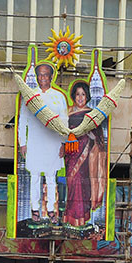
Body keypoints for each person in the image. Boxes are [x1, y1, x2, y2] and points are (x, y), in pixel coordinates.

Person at [17, 62, 67, 224]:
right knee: (35, 177)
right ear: (37, 77)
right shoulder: (30, 97)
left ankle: (51, 210)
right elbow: (22, 120)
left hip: (53, 143)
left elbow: (64, 121)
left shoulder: (59, 96)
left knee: (52, 178)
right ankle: (34, 209)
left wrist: (63, 143)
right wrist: (22, 143)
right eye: (40, 75)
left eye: (46, 74)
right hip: (34, 143)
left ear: (51, 77)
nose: (43, 78)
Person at [65, 80, 107, 232]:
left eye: (83, 94)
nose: (80, 98)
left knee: (82, 183)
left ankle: (81, 218)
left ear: (87, 96)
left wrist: (90, 135)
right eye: (77, 94)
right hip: (70, 151)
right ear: (73, 96)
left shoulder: (92, 114)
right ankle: (70, 217)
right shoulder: (66, 112)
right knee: (71, 181)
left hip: (86, 152)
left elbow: (99, 137)